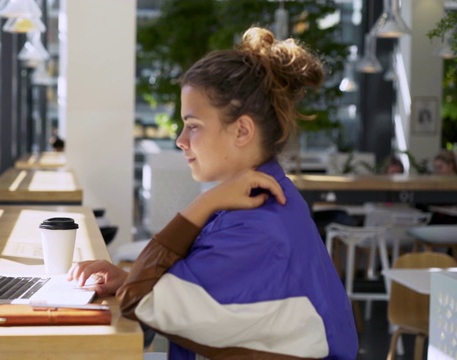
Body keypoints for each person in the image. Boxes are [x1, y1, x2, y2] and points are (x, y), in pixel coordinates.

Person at [69, 26, 358, 359]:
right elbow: (158, 293)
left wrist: (205, 201)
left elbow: (139, 300)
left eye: (193, 126)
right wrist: (126, 278)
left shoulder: (256, 231)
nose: (181, 140)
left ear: (242, 130)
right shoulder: (256, 205)